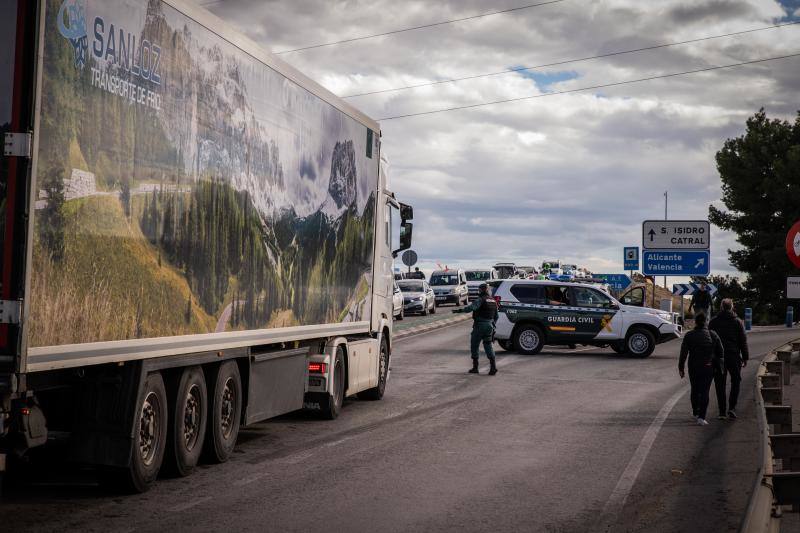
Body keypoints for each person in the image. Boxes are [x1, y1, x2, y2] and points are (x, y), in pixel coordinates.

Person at [678, 312, 724, 426]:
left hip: (693, 366)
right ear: (706, 321)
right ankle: (702, 417)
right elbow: (721, 351)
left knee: (694, 389)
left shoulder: (689, 335)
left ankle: (695, 412)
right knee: (705, 391)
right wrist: (718, 364)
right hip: (708, 366)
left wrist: (681, 368)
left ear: (695, 322)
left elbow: (683, 353)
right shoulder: (713, 334)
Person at [709, 298, 750, 420]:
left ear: (721, 307)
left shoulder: (714, 322)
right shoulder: (737, 322)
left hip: (718, 357)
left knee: (720, 384)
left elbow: (709, 340)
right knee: (736, 381)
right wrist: (745, 357)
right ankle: (732, 408)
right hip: (733, 355)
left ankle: (722, 412)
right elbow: (743, 341)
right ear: (732, 307)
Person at [453, 283, 499, 375]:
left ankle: (475, 367)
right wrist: (492, 325)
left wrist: (459, 310)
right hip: (490, 326)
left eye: (479, 290)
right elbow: (496, 316)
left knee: (475, 345)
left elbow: (471, 308)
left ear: (481, 290)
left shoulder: (480, 300)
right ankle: (493, 367)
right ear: (488, 290)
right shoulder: (493, 301)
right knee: (488, 345)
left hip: (480, 326)